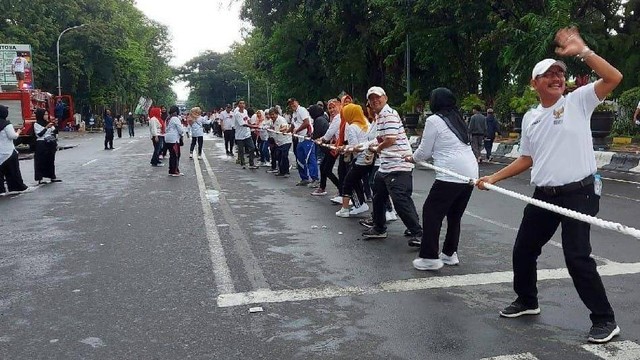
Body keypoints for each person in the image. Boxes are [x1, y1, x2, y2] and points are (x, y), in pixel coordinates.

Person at [477, 27, 622, 344]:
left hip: (579, 193)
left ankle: (605, 319)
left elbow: (613, 78)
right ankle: (527, 300)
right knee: (524, 250)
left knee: (576, 257)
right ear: (534, 83)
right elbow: (526, 158)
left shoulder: (578, 102)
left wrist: (583, 51)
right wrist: (492, 177)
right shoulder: (530, 118)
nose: (557, 78)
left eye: (560, 73)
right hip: (545, 194)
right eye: (549, 75)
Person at [405, 88, 478, 270]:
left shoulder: (434, 120)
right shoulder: (457, 118)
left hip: (451, 173)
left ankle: (429, 257)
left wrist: (411, 158)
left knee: (431, 212)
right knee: (454, 215)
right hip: (470, 172)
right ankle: (449, 254)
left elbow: (425, 151)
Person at [363, 86, 422, 245]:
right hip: (386, 166)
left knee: (400, 200)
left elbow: (390, 139)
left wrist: (377, 149)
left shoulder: (388, 114)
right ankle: (379, 227)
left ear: (385, 98)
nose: (375, 101)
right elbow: (381, 139)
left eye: (378, 98)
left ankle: (419, 233)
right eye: (371, 99)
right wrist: (366, 145)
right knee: (379, 196)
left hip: (398, 165)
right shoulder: (380, 116)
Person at [335, 104, 372, 218]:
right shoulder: (367, 123)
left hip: (359, 159)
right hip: (370, 158)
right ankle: (362, 204)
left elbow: (354, 146)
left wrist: (344, 148)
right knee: (366, 183)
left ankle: (345, 209)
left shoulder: (352, 127)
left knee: (348, 182)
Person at [312, 99, 341, 196]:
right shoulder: (332, 118)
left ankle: (342, 190)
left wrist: (321, 139)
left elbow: (329, 133)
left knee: (328, 170)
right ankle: (323, 187)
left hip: (338, 147)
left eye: (334, 107)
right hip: (333, 146)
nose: (332, 110)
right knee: (324, 167)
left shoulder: (338, 117)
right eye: (330, 108)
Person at [288, 98, 319, 186]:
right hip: (300, 139)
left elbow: (306, 123)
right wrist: (287, 131)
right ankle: (304, 178)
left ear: (297, 102)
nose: (292, 105)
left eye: (293, 103)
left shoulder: (302, 110)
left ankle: (315, 179)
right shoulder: (294, 114)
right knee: (300, 158)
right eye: (290, 104)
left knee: (310, 158)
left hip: (307, 137)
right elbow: (293, 125)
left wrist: (297, 130)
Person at [0, 105, 28, 193]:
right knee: (13, 172)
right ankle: (16, 187)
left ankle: (1, 190)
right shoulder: (6, 124)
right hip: (9, 152)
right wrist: (18, 132)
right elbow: (13, 136)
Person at [33, 108, 61, 184]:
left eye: (47, 114)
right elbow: (39, 134)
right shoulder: (36, 124)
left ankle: (52, 176)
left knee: (50, 160)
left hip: (50, 143)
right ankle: (40, 178)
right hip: (41, 144)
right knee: (40, 161)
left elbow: (55, 131)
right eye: (45, 114)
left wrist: (56, 125)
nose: (46, 116)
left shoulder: (48, 123)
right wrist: (46, 127)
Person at [234, 100, 258, 169]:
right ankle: (242, 162)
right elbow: (243, 124)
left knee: (252, 147)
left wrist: (253, 123)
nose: (242, 105)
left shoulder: (245, 111)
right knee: (241, 150)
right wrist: (252, 126)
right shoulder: (237, 114)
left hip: (247, 134)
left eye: (243, 103)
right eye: (240, 103)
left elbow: (247, 120)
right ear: (238, 105)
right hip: (240, 135)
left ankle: (251, 163)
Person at [270, 108, 292, 177]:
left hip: (286, 140)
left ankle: (286, 172)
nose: (272, 116)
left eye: (273, 114)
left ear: (277, 114)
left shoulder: (281, 119)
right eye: (271, 115)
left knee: (284, 155)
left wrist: (279, 129)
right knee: (278, 155)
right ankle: (281, 171)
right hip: (279, 141)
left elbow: (285, 127)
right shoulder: (272, 121)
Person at [164, 106, 184, 176]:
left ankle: (171, 170)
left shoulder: (168, 118)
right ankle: (175, 171)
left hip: (167, 138)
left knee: (172, 155)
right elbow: (180, 129)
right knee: (176, 155)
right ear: (175, 112)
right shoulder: (175, 118)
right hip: (174, 139)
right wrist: (182, 134)